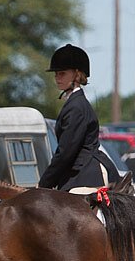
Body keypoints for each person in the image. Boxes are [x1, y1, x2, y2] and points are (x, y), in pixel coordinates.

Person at [38, 44, 121, 192]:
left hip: (87, 175)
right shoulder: (74, 103)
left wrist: (43, 184)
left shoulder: (76, 107)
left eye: (62, 73)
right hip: (79, 173)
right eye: (56, 74)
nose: (57, 78)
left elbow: (65, 152)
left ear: (76, 74)